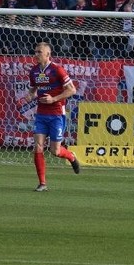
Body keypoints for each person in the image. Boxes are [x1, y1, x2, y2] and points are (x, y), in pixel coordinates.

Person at [25, 42, 80, 191]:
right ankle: (42, 183)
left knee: (55, 151)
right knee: (37, 147)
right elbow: (33, 89)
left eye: (39, 52)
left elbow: (72, 90)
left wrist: (54, 99)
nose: (36, 54)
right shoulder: (34, 71)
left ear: (48, 54)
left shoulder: (58, 70)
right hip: (41, 114)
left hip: (56, 114)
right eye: (35, 51)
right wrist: (30, 95)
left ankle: (71, 156)